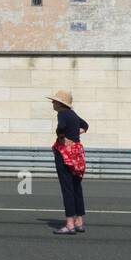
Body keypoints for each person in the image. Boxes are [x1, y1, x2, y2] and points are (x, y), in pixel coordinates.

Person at [47, 89, 88, 235]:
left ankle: (70, 224)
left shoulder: (62, 114)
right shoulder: (73, 114)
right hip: (77, 153)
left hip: (64, 153)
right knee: (77, 187)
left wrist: (62, 137)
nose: (52, 102)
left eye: (54, 101)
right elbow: (85, 125)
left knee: (67, 189)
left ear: (60, 103)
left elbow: (61, 128)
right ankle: (79, 221)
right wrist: (75, 134)